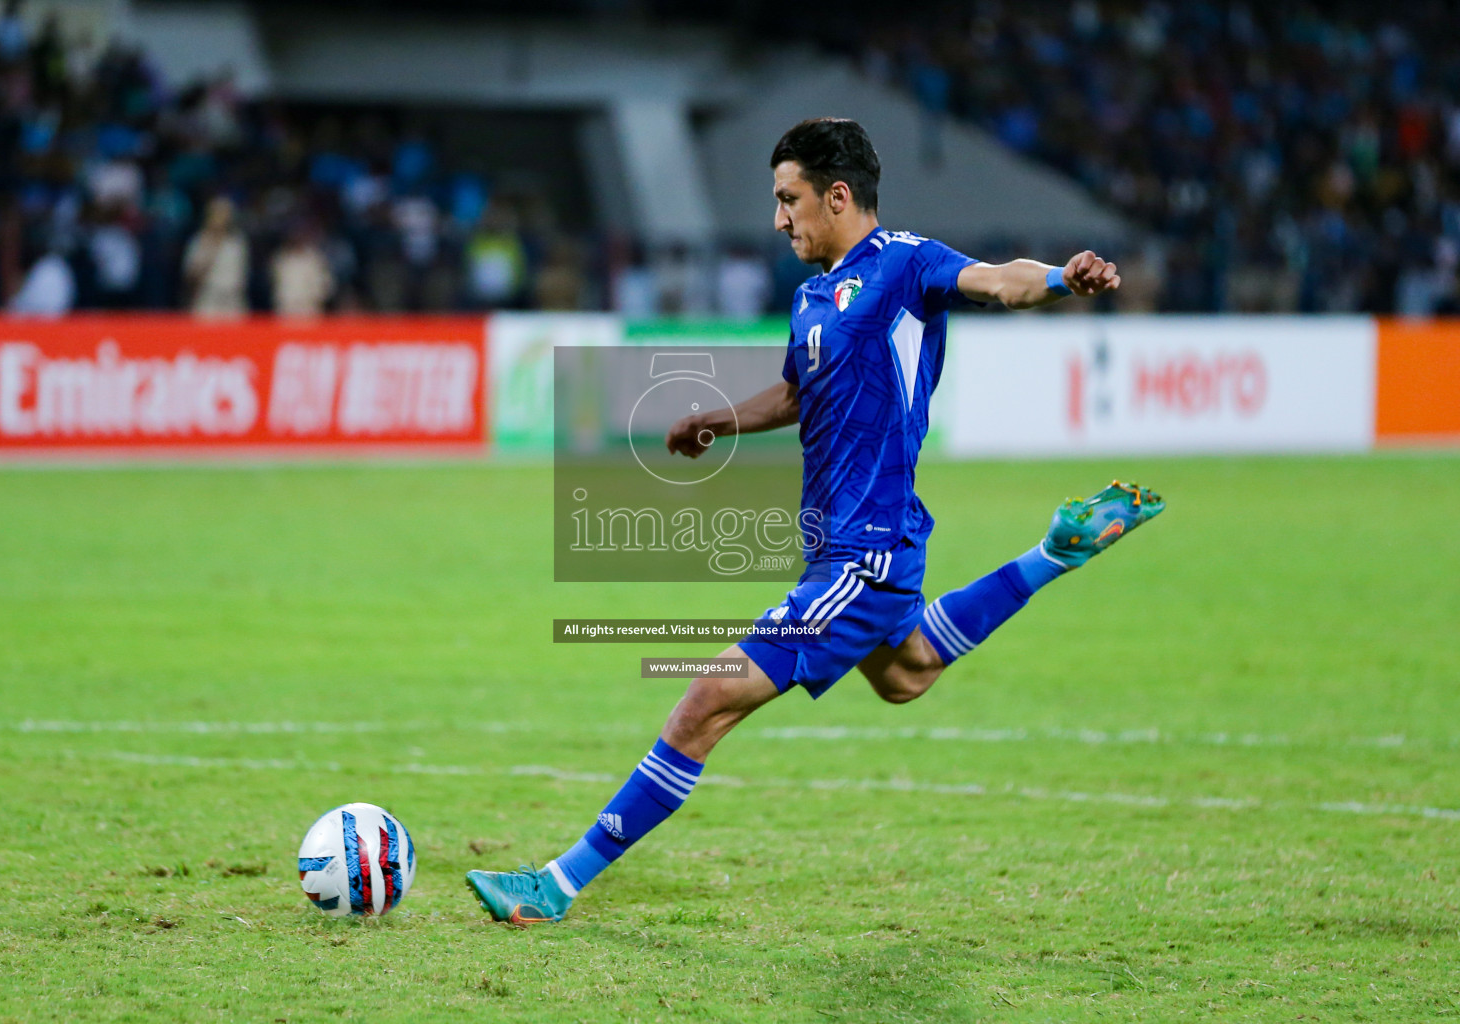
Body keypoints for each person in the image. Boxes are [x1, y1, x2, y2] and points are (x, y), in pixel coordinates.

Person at [466, 118, 1166, 924]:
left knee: (705, 699)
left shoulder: (905, 264)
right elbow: (799, 394)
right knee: (906, 672)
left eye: (788, 199)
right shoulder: (809, 297)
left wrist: (1057, 279)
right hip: (854, 546)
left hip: (863, 554)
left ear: (837, 195)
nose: (778, 219)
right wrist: (718, 420)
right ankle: (1053, 553)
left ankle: (554, 886)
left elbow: (995, 280)